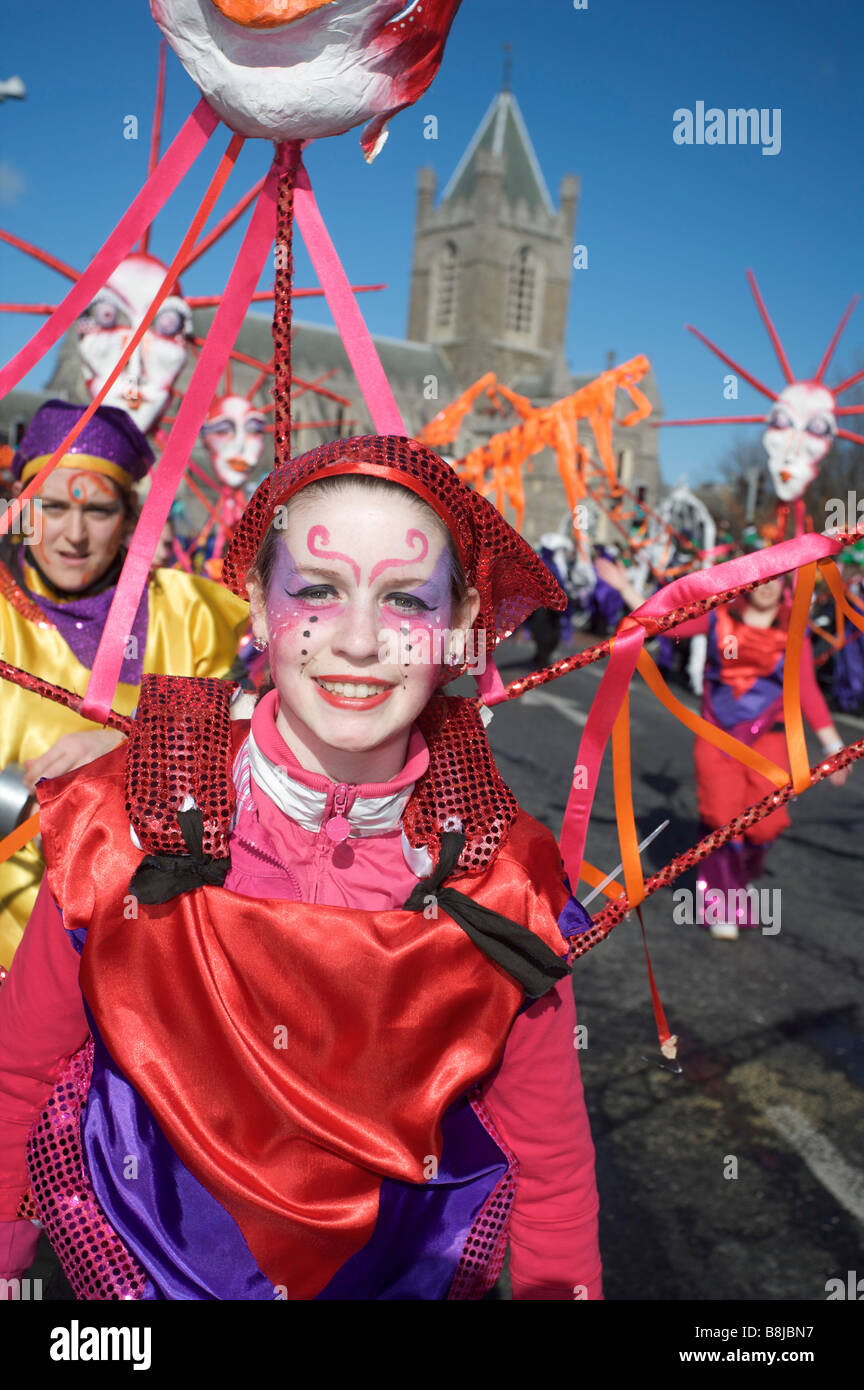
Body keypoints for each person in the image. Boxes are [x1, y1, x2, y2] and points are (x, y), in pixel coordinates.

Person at [0, 434, 602, 1301]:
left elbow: (548, 1158)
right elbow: (22, 1077)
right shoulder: (122, 817)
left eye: (404, 601)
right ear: (256, 603)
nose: (357, 641)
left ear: (462, 622)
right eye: (317, 590)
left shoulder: (499, 878)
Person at [0, 400, 250, 967]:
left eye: (99, 510)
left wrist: (139, 741)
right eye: (52, 507)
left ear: (130, 515)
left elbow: (256, 756)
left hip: (150, 954)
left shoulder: (187, 612)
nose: (74, 535)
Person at [595, 555, 849, 940]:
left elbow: (808, 690)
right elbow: (665, 623)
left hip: (769, 738)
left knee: (768, 824)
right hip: (717, 737)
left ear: (785, 587)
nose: (765, 587)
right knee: (723, 820)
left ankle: (741, 877)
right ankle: (722, 901)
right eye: (759, 580)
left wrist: (833, 746)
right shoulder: (718, 616)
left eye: (775, 580)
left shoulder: (794, 628)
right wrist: (627, 588)